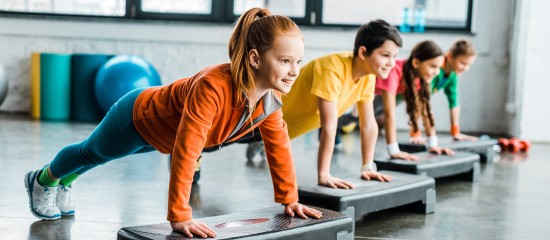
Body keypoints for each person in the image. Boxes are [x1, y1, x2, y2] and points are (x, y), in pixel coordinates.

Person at [24, 8, 321, 238]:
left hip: (160, 136)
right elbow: (188, 150)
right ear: (255, 58)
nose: (294, 71)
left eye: (299, 62)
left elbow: (278, 147)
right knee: (91, 153)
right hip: (137, 117)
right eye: (285, 61)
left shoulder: (269, 102)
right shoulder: (213, 86)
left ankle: (66, 180)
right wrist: (179, 215)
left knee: (103, 156)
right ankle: (43, 179)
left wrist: (289, 199)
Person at [247, 19, 401, 189]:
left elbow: (369, 124)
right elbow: (328, 126)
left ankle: (260, 144)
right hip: (258, 118)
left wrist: (368, 166)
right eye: (386, 55)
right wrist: (324, 175)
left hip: (282, 130)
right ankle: (257, 142)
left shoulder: (368, 76)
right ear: (364, 53)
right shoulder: (331, 69)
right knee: (216, 142)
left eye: (394, 56)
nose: (391, 63)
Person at [374, 40, 454, 160]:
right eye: (433, 66)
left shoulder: (420, 78)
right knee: (349, 118)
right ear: (416, 62)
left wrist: (432, 145)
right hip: (364, 95)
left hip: (378, 96)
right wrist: (394, 151)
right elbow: (389, 113)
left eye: (439, 67)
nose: (437, 73)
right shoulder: (394, 71)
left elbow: (425, 110)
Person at [427, 39, 478, 142]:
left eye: (469, 65)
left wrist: (455, 132)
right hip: (394, 92)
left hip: (405, 98)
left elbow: (454, 103)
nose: (466, 68)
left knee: (384, 119)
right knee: (385, 117)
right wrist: (415, 134)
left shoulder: (453, 75)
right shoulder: (435, 68)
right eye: (463, 63)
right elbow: (422, 101)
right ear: (449, 56)